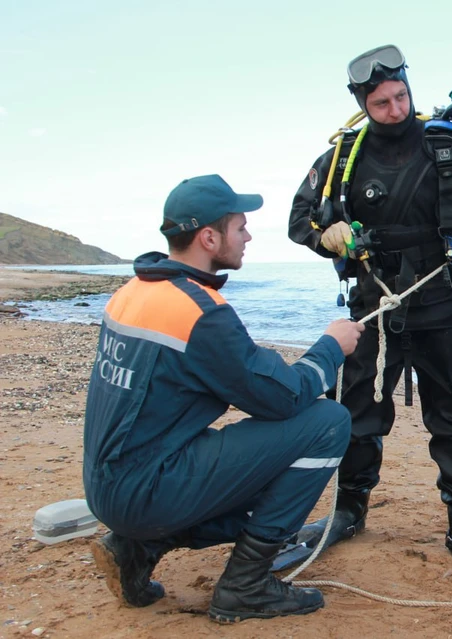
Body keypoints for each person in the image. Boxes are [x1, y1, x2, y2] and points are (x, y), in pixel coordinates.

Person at [288, 44, 452, 598]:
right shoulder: (343, 156)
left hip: (446, 306)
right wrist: (324, 235)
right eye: (381, 102)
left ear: (409, 87)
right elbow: (299, 219)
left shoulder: (449, 141)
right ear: (362, 103)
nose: (395, 109)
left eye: (400, 96)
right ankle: (349, 510)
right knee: (356, 416)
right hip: (375, 309)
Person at [83, 174, 365, 622]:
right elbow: (283, 398)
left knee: (255, 454)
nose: (248, 236)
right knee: (327, 422)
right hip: (145, 492)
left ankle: (137, 547)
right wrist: (332, 346)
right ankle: (245, 585)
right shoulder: (198, 313)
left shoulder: (133, 292)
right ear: (209, 238)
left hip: (105, 488)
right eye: (240, 227)